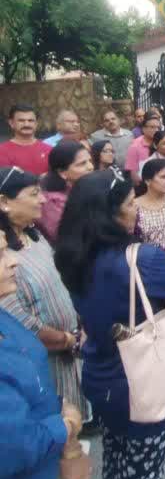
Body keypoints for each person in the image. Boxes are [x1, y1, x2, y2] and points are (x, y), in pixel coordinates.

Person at [55, 171, 165, 479]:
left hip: (100, 378)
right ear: (110, 214)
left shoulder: (72, 257)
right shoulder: (143, 259)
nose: (135, 207)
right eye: (128, 203)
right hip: (142, 384)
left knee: (118, 461)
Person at [0, 226, 93, 479]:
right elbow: (13, 448)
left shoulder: (4, 315)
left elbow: (32, 384)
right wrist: (64, 426)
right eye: (1, 254)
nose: (13, 260)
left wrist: (68, 447)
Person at [0, 166, 88, 423]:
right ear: (4, 202)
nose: (42, 199)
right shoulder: (4, 258)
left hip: (69, 350)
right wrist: (66, 340)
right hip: (46, 360)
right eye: (34, 193)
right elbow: (18, 318)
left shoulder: (35, 237)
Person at [37, 140, 93, 243]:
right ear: (62, 172)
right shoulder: (50, 202)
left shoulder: (84, 187)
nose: (90, 167)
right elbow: (66, 237)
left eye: (90, 161)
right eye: (82, 164)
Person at [0, 105, 53, 175]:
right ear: (11, 123)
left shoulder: (49, 149)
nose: (26, 124)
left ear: (36, 123)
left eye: (30, 121)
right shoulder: (2, 151)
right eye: (21, 120)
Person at [123, 113, 161, 187]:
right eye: (152, 127)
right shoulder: (135, 146)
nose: (156, 130)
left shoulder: (163, 142)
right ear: (143, 129)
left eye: (158, 127)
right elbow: (133, 173)